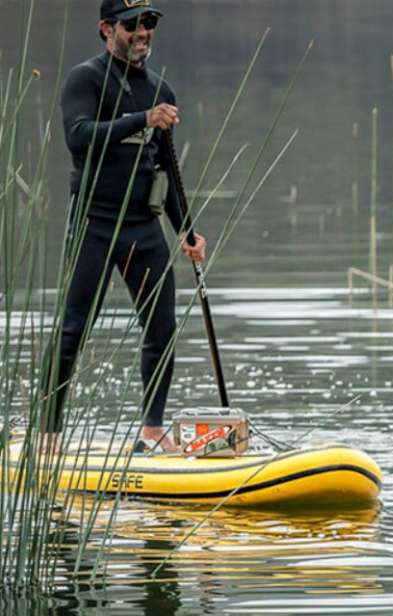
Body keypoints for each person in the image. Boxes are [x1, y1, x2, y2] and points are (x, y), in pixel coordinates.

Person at [48, 0, 206, 453]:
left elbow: (168, 172)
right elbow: (76, 136)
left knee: (161, 329)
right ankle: (50, 435)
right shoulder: (86, 78)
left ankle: (152, 431)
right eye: (133, 23)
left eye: (150, 23)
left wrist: (186, 231)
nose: (143, 32)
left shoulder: (162, 90)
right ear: (106, 29)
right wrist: (142, 119)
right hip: (93, 225)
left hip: (143, 229)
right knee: (72, 330)